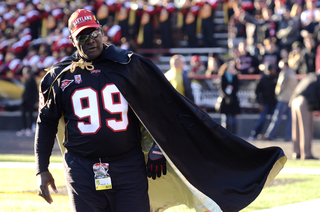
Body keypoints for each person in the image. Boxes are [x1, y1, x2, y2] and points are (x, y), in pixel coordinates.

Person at [35, 9, 286, 212]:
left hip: (127, 165)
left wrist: (156, 146)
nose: (89, 40)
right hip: (81, 169)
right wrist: (41, 168)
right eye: (82, 36)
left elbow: (161, 109)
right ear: (71, 40)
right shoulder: (60, 76)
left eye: (93, 33)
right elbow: (46, 123)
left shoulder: (129, 64)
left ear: (102, 32)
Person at [263, 59, 298, 141]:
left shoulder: (284, 72)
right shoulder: (292, 72)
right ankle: (289, 137)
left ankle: (270, 135)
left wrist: (277, 93)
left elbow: (281, 86)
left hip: (284, 98)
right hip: (291, 98)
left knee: (277, 117)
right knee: (290, 119)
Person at [290, 72, 320, 160]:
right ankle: (307, 153)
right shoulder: (318, 78)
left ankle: (296, 152)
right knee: (306, 129)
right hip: (305, 102)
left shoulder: (311, 76)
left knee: (296, 129)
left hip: (294, 101)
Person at [248, 63, 278, 141]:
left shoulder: (276, 78)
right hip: (265, 103)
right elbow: (257, 92)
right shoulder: (262, 79)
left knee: (274, 120)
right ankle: (254, 134)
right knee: (262, 120)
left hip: (273, 103)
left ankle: (271, 135)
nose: (273, 71)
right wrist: (260, 103)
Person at [217, 60, 240, 134]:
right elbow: (221, 88)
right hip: (225, 100)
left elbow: (237, 87)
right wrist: (227, 96)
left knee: (234, 119)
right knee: (225, 119)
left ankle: (234, 134)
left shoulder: (235, 77)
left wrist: (232, 90)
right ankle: (225, 134)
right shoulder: (223, 77)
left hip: (233, 100)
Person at [16, 66, 38, 136]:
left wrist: (34, 100)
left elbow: (34, 92)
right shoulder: (27, 81)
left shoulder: (32, 81)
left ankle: (29, 128)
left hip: (30, 101)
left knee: (30, 115)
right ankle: (24, 128)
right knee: (23, 115)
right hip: (25, 101)